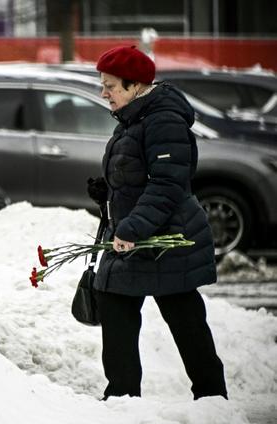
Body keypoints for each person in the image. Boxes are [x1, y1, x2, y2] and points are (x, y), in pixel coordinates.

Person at [87, 45, 227, 400]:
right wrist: (109, 189)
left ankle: (212, 401)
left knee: (186, 321)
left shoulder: (163, 119)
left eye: (111, 86)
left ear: (135, 86)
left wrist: (132, 227)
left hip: (167, 240)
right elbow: (140, 172)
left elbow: (167, 184)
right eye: (102, 85)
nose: (104, 93)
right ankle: (121, 400)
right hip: (138, 236)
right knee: (113, 304)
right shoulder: (134, 118)